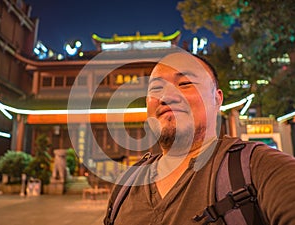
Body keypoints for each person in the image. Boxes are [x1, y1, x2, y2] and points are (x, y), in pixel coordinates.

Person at [104, 51, 295, 225]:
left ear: (217, 99)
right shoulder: (126, 185)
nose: (166, 96)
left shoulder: (258, 167)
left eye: (185, 83)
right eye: (156, 89)